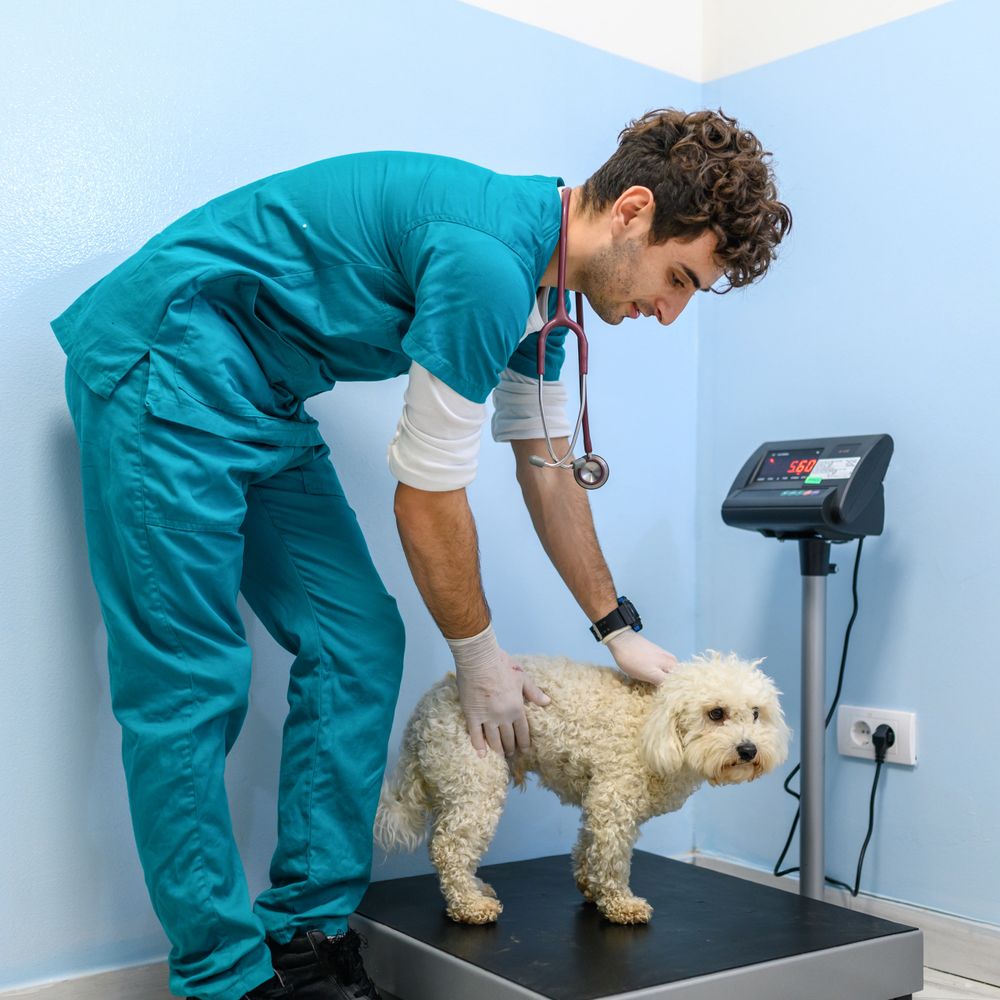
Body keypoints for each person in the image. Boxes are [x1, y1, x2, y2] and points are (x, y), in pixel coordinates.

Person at [53, 108, 791, 1000]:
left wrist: (616, 627)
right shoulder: (488, 263)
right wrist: (479, 658)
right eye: (677, 279)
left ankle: (307, 935)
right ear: (631, 211)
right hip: (165, 363)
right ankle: (222, 977)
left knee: (359, 638)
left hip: (264, 397)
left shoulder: (551, 297)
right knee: (190, 681)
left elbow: (548, 468)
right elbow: (429, 494)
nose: (669, 314)